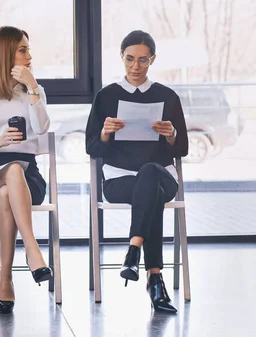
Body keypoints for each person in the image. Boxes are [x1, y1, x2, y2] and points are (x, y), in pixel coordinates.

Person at [85, 30, 188, 313]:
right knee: (149, 190)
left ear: (152, 60)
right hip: (120, 180)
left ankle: (134, 249)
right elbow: (91, 147)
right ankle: (155, 279)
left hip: (161, 176)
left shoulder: (167, 96)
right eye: (130, 59)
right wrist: (106, 133)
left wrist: (170, 135)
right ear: (121, 56)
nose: (135, 66)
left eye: (143, 60)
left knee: (151, 173)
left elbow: (183, 149)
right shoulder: (106, 96)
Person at [0, 26, 54, 314]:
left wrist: (33, 88)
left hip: (29, 177)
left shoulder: (34, 92)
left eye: (28, 49)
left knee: (10, 187)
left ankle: (5, 278)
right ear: (5, 53)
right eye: (23, 50)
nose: (29, 56)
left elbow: (42, 129)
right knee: (10, 170)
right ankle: (32, 249)